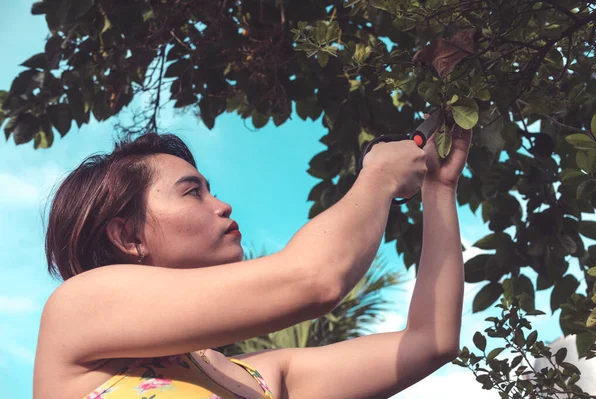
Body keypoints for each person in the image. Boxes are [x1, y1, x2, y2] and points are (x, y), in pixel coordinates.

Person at [33, 122, 471, 399]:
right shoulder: (78, 308)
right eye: (192, 192)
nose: (223, 205)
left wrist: (440, 189)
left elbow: (431, 341)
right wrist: (380, 175)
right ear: (127, 236)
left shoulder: (257, 379)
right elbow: (312, 279)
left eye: (212, 188)